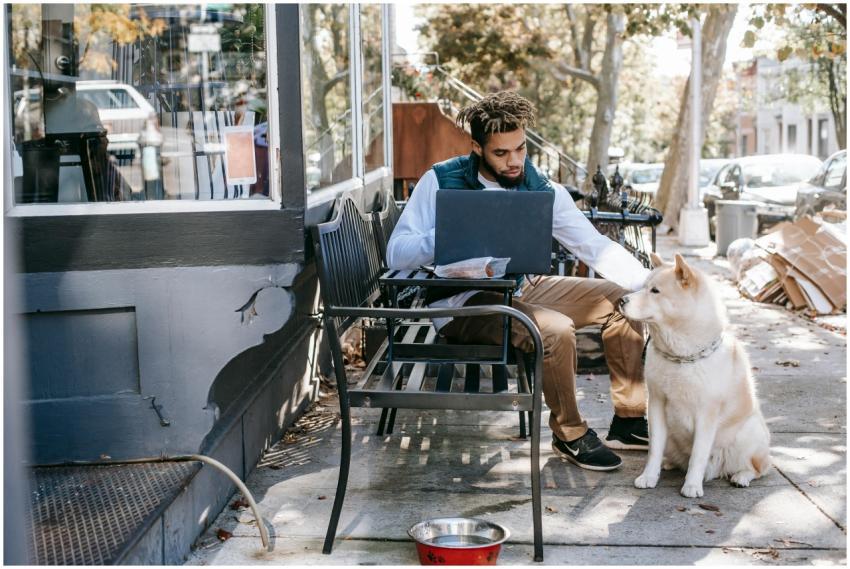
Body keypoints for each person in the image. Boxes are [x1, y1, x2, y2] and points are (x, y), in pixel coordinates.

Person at [386, 91, 650, 471]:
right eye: (501, 153)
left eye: (521, 149)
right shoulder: (441, 179)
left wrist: (650, 283)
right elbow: (396, 253)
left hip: (524, 286)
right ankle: (570, 434)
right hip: (463, 302)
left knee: (624, 301)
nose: (514, 161)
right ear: (477, 148)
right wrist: (451, 233)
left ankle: (628, 421)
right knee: (554, 329)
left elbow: (592, 245)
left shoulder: (539, 186)